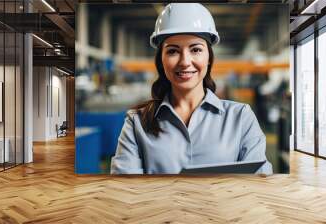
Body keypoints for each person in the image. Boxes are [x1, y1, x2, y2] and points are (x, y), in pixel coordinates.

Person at [110, 3, 272, 174]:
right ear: (161, 61)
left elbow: (259, 182)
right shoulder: (137, 122)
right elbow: (125, 188)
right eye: (173, 51)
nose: (185, 61)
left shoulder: (240, 117)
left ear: (209, 58)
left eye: (195, 49)